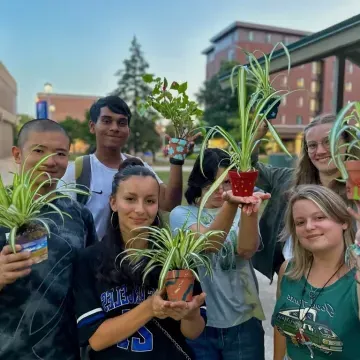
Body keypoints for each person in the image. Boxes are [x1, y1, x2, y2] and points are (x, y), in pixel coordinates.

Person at [73, 158, 206, 360]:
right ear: (113, 202)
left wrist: (190, 314)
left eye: (150, 201)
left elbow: (193, 332)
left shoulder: (178, 256)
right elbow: (97, 339)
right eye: (130, 199)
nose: (141, 210)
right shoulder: (88, 260)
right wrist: (150, 308)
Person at [0, 119, 97, 360]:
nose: (50, 161)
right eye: (39, 151)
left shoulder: (78, 215)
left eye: (60, 153)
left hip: (63, 352)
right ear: (17, 154)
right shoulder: (3, 208)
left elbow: (91, 279)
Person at [169, 148, 270, 360]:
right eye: (212, 183)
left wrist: (248, 210)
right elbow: (209, 243)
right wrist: (233, 202)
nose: (220, 190)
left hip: (243, 322)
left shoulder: (241, 211)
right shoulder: (181, 215)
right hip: (200, 323)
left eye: (226, 182)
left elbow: (246, 250)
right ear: (198, 182)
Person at [59, 96, 195, 240]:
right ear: (92, 126)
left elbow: (169, 204)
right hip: (93, 260)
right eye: (106, 121)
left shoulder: (138, 166)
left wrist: (176, 160)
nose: (114, 128)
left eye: (121, 123)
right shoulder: (77, 171)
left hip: (135, 258)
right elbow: (62, 226)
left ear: (128, 130)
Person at [251, 114, 351, 282]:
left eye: (328, 141)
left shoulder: (355, 190)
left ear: (347, 143)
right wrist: (255, 137)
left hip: (341, 282)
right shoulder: (288, 180)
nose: (320, 151)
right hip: (292, 276)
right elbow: (247, 168)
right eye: (312, 145)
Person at [273, 185, 360, 360]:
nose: (309, 227)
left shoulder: (355, 279)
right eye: (300, 222)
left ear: (344, 221)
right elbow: (281, 328)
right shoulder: (289, 270)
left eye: (319, 217)